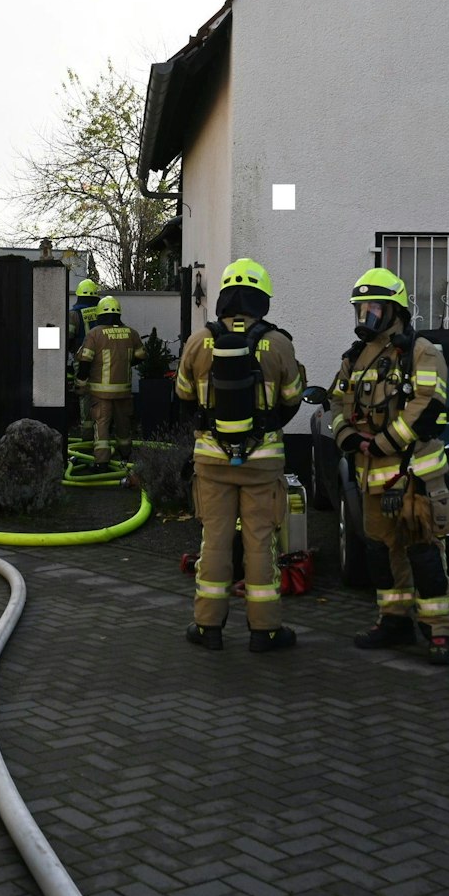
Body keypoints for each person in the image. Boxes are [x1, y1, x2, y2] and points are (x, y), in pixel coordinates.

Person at [174, 257, 306, 653]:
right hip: (262, 464)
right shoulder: (278, 343)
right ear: (261, 299)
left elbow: (182, 396)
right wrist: (265, 426)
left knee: (214, 542)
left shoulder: (199, 341)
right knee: (260, 544)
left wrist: (208, 427)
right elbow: (293, 398)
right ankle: (265, 631)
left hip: (212, 461)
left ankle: (207, 627)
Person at [326, 267, 449, 663]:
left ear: (394, 310)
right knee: (382, 553)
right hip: (371, 478)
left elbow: (427, 404)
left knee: (425, 553)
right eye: (360, 308)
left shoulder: (421, 352)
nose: (365, 315)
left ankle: (438, 632)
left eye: (373, 308)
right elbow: (336, 402)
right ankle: (394, 621)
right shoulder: (355, 358)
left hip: (415, 475)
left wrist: (383, 442)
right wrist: (348, 437)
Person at [75, 295, 144, 467]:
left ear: (100, 314)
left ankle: (102, 462)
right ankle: (125, 457)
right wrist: (125, 363)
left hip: (100, 392)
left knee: (102, 426)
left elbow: (85, 361)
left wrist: (81, 383)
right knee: (123, 425)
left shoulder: (95, 334)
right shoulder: (131, 333)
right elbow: (141, 355)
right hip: (124, 391)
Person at [66, 277, 101, 436]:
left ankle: (87, 434)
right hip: (102, 361)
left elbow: (68, 337)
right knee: (102, 396)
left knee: (85, 396)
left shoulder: (74, 314)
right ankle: (101, 431)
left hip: (82, 361)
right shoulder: (102, 313)